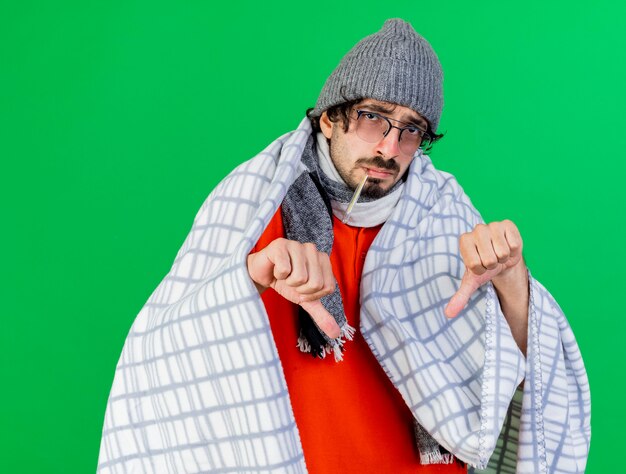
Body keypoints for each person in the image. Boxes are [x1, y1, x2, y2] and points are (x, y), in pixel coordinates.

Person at [97, 19, 590, 474]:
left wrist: (512, 285)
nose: (389, 148)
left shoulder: (445, 219)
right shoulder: (253, 204)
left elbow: (527, 381)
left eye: (411, 129)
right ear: (329, 118)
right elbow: (158, 351)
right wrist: (249, 275)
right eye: (373, 117)